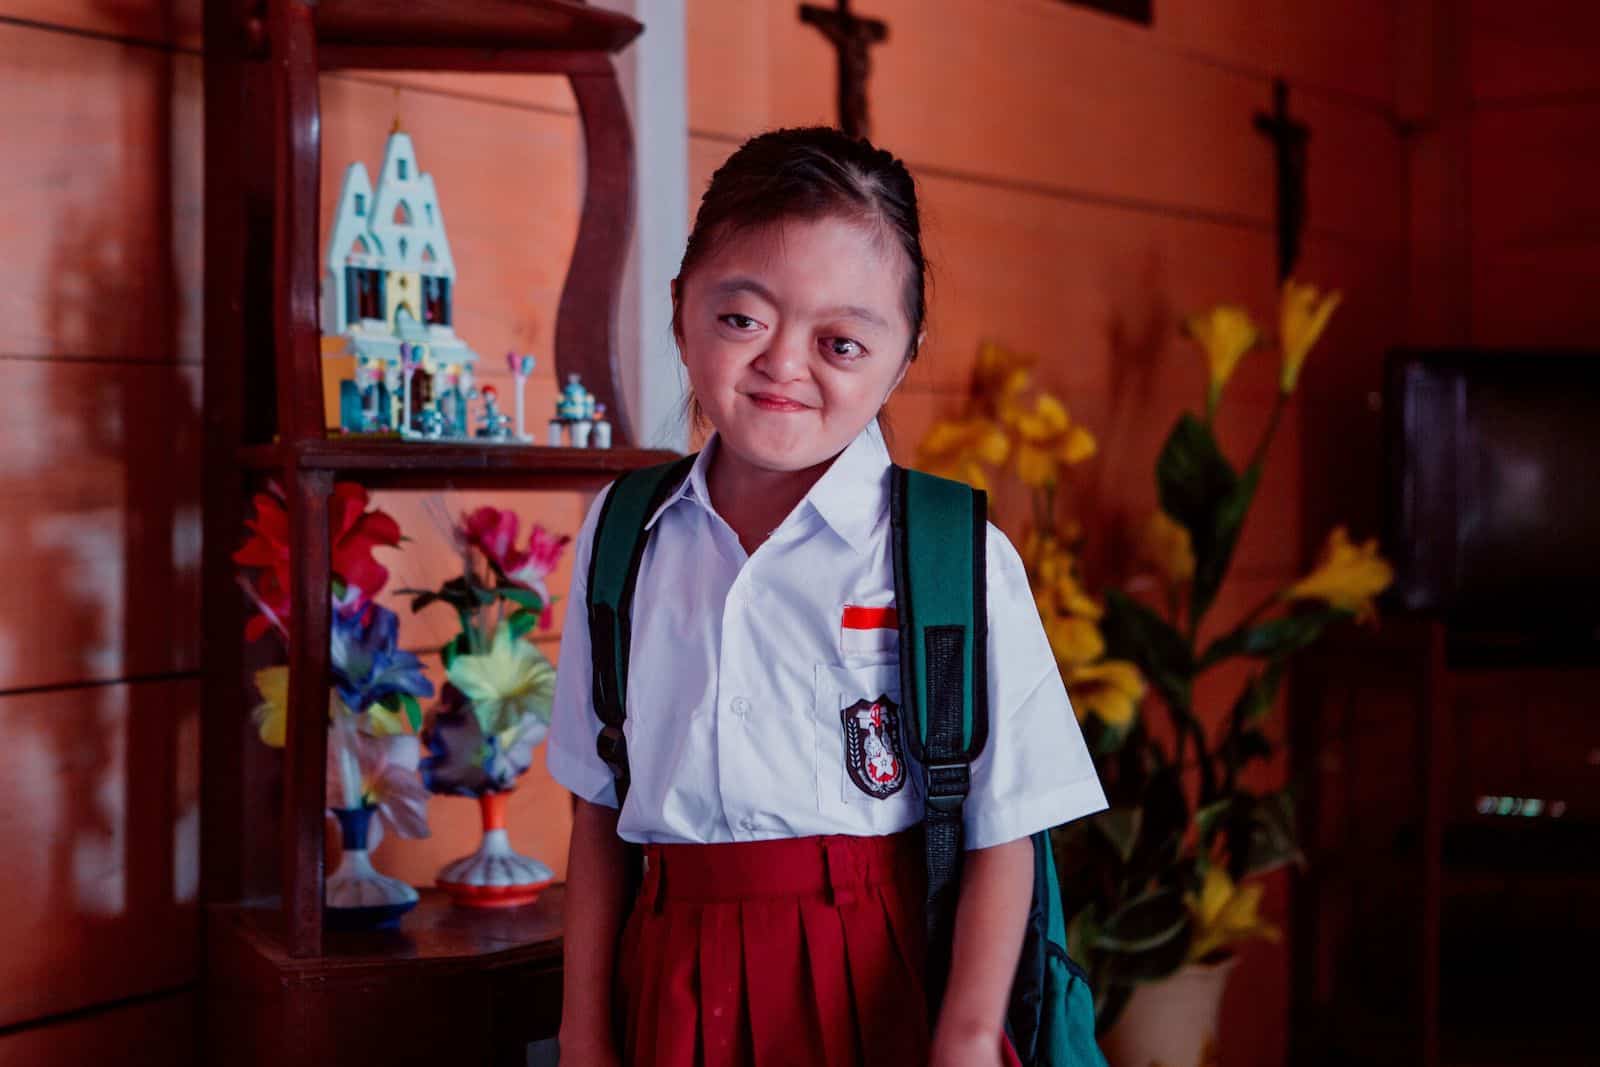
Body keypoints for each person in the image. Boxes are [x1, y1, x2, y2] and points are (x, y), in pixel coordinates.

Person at [548, 126, 1107, 1067]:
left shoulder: (949, 556)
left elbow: (1005, 822)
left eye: (840, 340)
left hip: (881, 985)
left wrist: (968, 1033)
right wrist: (584, 1033)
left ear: (905, 353)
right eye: (742, 319)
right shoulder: (624, 534)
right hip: (674, 985)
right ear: (681, 307)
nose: (784, 365)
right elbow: (600, 806)